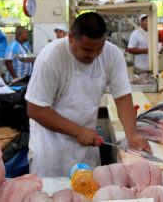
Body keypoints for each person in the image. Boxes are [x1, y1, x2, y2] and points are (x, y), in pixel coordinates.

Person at [25, 12, 151, 177]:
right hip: (51, 152)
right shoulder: (51, 57)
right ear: (71, 38)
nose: (93, 55)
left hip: (86, 149)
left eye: (99, 49)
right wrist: (78, 131)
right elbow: (35, 109)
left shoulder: (113, 55)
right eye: (86, 49)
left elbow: (123, 97)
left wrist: (132, 134)